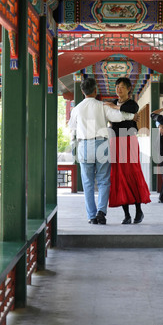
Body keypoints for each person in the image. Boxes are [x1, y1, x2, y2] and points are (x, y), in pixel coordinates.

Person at [68, 77, 135, 225]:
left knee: (87, 183)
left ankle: (91, 216)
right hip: (101, 145)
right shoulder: (102, 106)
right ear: (95, 90)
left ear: (82, 91)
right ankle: (101, 212)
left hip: (84, 145)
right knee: (104, 181)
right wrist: (130, 114)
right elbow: (118, 117)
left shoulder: (77, 108)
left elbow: (71, 127)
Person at [104, 77, 151, 224]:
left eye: (122, 87)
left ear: (129, 89)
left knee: (132, 173)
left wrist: (115, 107)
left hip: (129, 140)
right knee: (119, 176)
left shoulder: (131, 103)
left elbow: (131, 110)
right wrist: (114, 107)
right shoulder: (112, 102)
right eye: (117, 86)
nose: (119, 89)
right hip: (115, 141)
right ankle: (126, 214)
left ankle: (138, 211)